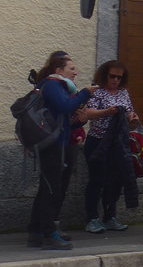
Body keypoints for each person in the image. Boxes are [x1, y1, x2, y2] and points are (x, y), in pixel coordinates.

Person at [26, 53, 96, 250]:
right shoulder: (53, 85)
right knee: (51, 190)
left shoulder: (54, 86)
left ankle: (36, 231)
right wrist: (85, 93)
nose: (76, 72)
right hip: (53, 147)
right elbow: (65, 105)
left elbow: (61, 119)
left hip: (57, 144)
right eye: (71, 69)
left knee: (47, 188)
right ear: (59, 71)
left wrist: (79, 122)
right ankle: (49, 235)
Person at [78, 60, 140, 233]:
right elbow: (88, 114)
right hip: (98, 141)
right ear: (105, 75)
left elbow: (129, 113)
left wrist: (132, 119)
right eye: (112, 76)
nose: (115, 80)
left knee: (115, 181)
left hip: (117, 143)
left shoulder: (123, 93)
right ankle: (91, 218)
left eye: (119, 77)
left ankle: (110, 216)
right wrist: (108, 111)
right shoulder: (96, 92)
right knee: (97, 180)